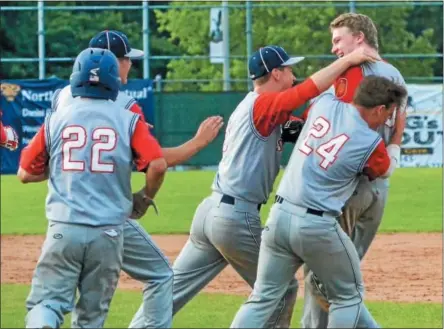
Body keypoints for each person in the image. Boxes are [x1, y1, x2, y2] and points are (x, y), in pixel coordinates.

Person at [129, 44, 379, 328]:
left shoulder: (254, 107)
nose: (293, 75)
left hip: (211, 211)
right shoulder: (263, 104)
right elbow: (306, 90)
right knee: (280, 291)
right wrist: (348, 61)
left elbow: (301, 127)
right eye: (288, 69)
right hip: (235, 217)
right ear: (275, 74)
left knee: (170, 291)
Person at [52, 30, 224, 328]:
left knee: (60, 296)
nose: (130, 65)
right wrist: (197, 143)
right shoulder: (125, 105)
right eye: (126, 60)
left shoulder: (61, 97)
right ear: (113, 63)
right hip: (107, 214)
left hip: (63, 214)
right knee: (160, 275)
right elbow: (157, 162)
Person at [230, 75, 407, 328]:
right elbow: (386, 169)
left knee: (262, 297)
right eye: (388, 113)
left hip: (279, 216)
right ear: (379, 109)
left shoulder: (325, 103)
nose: (387, 119)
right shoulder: (370, 142)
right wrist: (397, 137)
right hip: (316, 226)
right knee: (347, 297)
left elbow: (312, 107)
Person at [18, 48, 168, 328]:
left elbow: (25, 172)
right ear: (113, 80)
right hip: (108, 233)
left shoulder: (57, 118)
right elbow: (158, 165)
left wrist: (63, 169)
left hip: (64, 227)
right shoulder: (128, 118)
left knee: (46, 303)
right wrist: (145, 197)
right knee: (91, 318)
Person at [300, 13, 409, 328]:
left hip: (349, 187)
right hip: (379, 190)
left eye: (338, 40)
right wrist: (394, 151)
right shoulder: (395, 73)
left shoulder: (352, 73)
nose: (335, 48)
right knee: (343, 274)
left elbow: (344, 127)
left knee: (322, 273)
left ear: (359, 38)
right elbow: (401, 120)